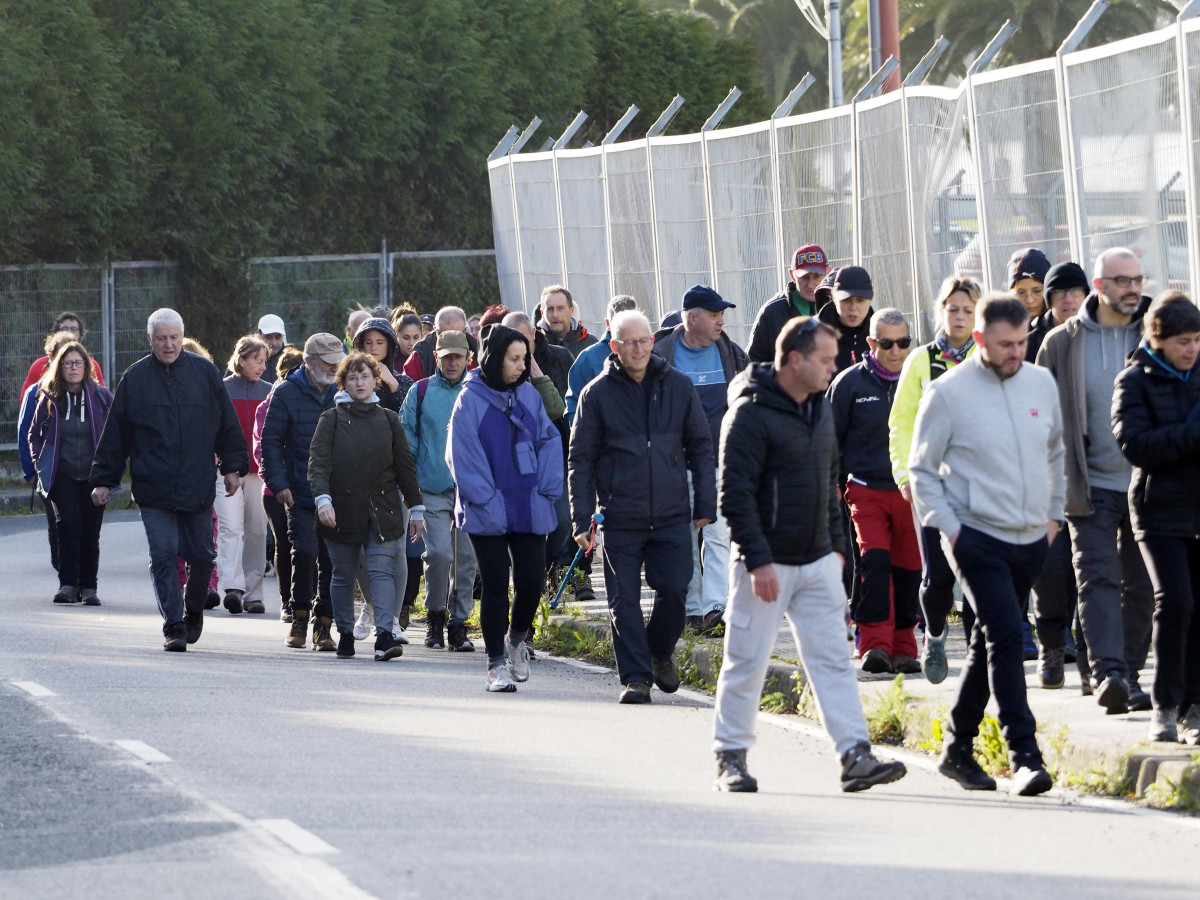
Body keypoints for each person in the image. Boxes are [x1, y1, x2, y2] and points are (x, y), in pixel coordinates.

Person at [711, 317, 907, 794]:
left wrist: (838, 550)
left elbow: (831, 479)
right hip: (765, 565)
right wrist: (757, 561)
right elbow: (734, 496)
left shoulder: (821, 408)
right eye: (824, 359)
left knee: (833, 661)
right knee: (746, 661)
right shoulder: (749, 415)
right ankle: (730, 758)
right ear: (794, 360)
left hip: (819, 560)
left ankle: (854, 755)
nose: (833, 367)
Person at [910, 293, 1065, 797]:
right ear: (979, 339)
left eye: (1022, 342)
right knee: (1006, 634)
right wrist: (951, 529)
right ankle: (1025, 755)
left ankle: (957, 749)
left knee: (987, 643)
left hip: (1030, 537)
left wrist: (1053, 517)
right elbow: (921, 471)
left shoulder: (1040, 381)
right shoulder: (948, 392)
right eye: (1005, 345)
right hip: (974, 537)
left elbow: (1056, 453)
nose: (1016, 353)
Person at [569, 310, 715, 704]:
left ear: (653, 341)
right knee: (623, 600)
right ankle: (636, 677)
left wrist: (705, 501)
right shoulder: (596, 394)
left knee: (675, 588)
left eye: (644, 340)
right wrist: (581, 518)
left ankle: (659, 650)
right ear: (614, 346)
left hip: (671, 512)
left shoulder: (679, 386)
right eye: (629, 342)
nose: (638, 349)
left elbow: (701, 447)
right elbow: (580, 460)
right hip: (621, 515)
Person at [1037, 247, 1154, 714]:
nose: (1133, 288)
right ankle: (1108, 672)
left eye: (1138, 279)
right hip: (1089, 483)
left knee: (1142, 583)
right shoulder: (1062, 343)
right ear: (1101, 287)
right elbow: (1042, 417)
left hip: (1148, 483)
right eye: (1123, 280)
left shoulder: (1156, 332)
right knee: (1097, 578)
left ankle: (1126, 670)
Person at [91, 309, 248, 651]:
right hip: (154, 488)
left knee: (203, 557)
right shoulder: (135, 378)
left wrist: (233, 467)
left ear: (182, 336)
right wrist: (103, 480)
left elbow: (227, 424)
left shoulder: (205, 373)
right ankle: (174, 625)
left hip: (196, 484)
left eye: (174, 337)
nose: (169, 344)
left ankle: (193, 609)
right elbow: (115, 435)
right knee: (164, 553)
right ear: (150, 340)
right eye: (161, 338)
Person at [447, 325, 563, 691]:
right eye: (514, 359)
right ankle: (495, 663)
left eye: (524, 358)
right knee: (496, 584)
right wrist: (486, 498)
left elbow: (549, 439)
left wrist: (547, 489)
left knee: (531, 583)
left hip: (529, 503)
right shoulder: (469, 399)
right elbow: (462, 455)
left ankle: (516, 639)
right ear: (494, 358)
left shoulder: (528, 395)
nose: (521, 366)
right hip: (487, 507)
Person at [1112, 292, 1200, 744]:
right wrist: (1191, 434)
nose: (1191, 350)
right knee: (1176, 602)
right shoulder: (1134, 381)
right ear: (1159, 340)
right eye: (1183, 341)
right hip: (1158, 508)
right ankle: (1164, 706)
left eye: (1197, 340)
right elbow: (1136, 446)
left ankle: (1193, 709)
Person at [888, 275, 982, 684]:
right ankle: (936, 635)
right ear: (940, 311)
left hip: (981, 486)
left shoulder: (988, 356)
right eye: (953, 309)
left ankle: (981, 652)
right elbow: (901, 423)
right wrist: (905, 474)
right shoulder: (921, 361)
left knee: (980, 572)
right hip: (933, 485)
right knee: (939, 578)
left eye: (967, 310)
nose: (959, 317)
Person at [308, 351, 424, 662]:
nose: (360, 382)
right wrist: (323, 500)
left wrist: (417, 507)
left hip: (382, 511)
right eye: (353, 377)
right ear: (343, 383)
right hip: (340, 512)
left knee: (381, 571)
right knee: (344, 574)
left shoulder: (388, 419)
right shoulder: (330, 420)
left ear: (376, 381)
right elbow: (318, 465)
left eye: (365, 376)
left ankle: (384, 634)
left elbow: (405, 467)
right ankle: (345, 632)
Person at [652, 285, 749, 635]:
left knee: (720, 534)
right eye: (714, 315)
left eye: (722, 314)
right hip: (675, 465)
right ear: (692, 318)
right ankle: (691, 609)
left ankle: (715, 607)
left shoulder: (733, 355)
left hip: (720, 461)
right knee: (686, 537)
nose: (721, 321)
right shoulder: (659, 355)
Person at [828, 308, 921, 674]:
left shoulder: (920, 380)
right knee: (875, 564)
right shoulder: (849, 383)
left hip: (910, 491)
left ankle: (903, 646)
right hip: (865, 489)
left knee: (909, 571)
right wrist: (833, 488)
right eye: (887, 343)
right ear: (871, 343)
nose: (896, 351)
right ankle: (873, 644)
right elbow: (830, 439)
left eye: (903, 343)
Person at [261, 333, 345, 651]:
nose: (335, 369)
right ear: (309, 363)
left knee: (331, 559)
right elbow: (270, 442)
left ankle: (324, 625)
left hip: (337, 492)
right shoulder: (285, 393)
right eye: (328, 363)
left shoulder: (345, 390)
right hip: (298, 491)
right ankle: (298, 617)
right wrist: (279, 484)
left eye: (338, 363)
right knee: (305, 552)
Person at [400, 330, 478, 652]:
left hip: (470, 489)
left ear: (468, 359)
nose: (452, 362)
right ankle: (435, 616)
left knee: (466, 558)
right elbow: (406, 440)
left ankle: (459, 624)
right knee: (440, 554)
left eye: (458, 356)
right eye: (446, 356)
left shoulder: (477, 391)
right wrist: (412, 488)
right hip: (431, 488)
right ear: (436, 358)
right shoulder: (419, 392)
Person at [28, 342, 113, 606]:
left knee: (90, 531)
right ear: (59, 366)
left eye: (78, 363)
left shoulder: (101, 396)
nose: (73, 368)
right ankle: (67, 584)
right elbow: (34, 435)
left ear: (87, 366)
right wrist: (40, 465)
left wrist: (109, 475)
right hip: (61, 474)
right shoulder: (49, 397)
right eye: (67, 363)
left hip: (94, 476)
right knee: (68, 526)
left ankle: (89, 587)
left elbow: (115, 435)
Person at [214, 335, 272, 615]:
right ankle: (233, 587)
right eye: (256, 360)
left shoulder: (271, 391)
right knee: (230, 528)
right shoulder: (222, 390)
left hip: (258, 473)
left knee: (257, 531)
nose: (261, 366)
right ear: (241, 360)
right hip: (228, 471)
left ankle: (254, 593)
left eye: (264, 361)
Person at [19, 331, 81, 575]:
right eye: (63, 357)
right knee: (60, 521)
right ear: (52, 359)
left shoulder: (91, 393)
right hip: (50, 471)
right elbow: (26, 433)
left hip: (83, 469)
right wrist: (32, 471)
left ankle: (78, 576)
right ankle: (64, 569)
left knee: (80, 524)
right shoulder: (37, 392)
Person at [253, 347, 304, 623]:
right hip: (274, 491)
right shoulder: (267, 406)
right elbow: (261, 450)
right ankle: (287, 601)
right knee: (284, 543)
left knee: (307, 547)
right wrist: (278, 481)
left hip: (307, 488)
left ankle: (306, 599)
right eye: (286, 375)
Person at [747, 244, 829, 363]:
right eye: (805, 277)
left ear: (829, 273)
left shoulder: (838, 308)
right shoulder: (772, 312)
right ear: (792, 276)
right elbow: (753, 365)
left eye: (817, 276)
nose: (811, 285)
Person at [566, 295, 637, 424]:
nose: (626, 329)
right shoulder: (588, 359)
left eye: (631, 322)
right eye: (620, 323)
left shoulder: (648, 354)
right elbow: (574, 406)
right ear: (608, 323)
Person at [22, 312, 106, 393]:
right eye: (64, 329)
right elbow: (26, 399)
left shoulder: (92, 365)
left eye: (73, 329)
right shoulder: (39, 366)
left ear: (80, 334)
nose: (68, 332)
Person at [817, 265, 874, 372]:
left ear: (871, 299)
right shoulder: (811, 335)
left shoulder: (882, 337)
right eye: (846, 300)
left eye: (860, 300)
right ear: (834, 298)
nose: (853, 307)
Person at [1027, 262, 1087, 361]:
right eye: (1058, 292)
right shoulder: (1031, 345)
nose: (1068, 299)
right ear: (1049, 301)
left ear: (1086, 296)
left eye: (1076, 290)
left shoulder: (1101, 335)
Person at [403, 306, 480, 380]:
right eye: (444, 336)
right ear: (435, 330)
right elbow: (407, 388)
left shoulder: (478, 350)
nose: (451, 342)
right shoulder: (421, 354)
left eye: (456, 335)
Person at [537, 285, 597, 360]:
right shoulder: (535, 345)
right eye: (550, 309)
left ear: (571, 310)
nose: (555, 315)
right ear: (542, 313)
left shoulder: (590, 344)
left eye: (560, 308)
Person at [1008, 248, 1052, 321]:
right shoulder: (1000, 329)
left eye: (1037, 291)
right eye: (1021, 292)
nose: (1029, 300)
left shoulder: (1066, 327)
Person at [255, 314, 290, 384]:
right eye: (268, 337)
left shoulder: (292, 359)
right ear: (259, 335)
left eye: (278, 337)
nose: (274, 343)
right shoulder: (247, 358)